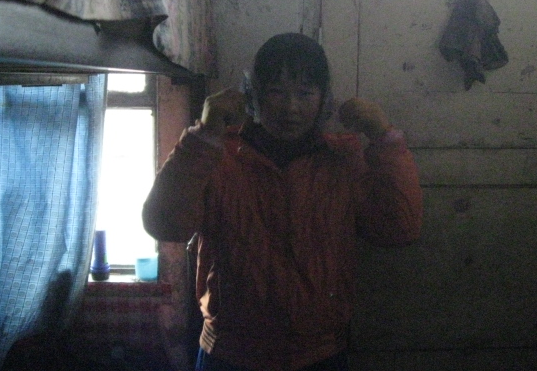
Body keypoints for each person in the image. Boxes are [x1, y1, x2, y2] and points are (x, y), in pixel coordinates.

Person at [142, 33, 423, 371]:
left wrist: (385, 138)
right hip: (229, 355)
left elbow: (399, 229)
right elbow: (165, 226)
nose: (291, 108)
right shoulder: (218, 155)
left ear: (323, 98)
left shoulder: (342, 158)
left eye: (305, 93)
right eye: (276, 91)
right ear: (254, 95)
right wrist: (204, 135)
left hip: (321, 355)